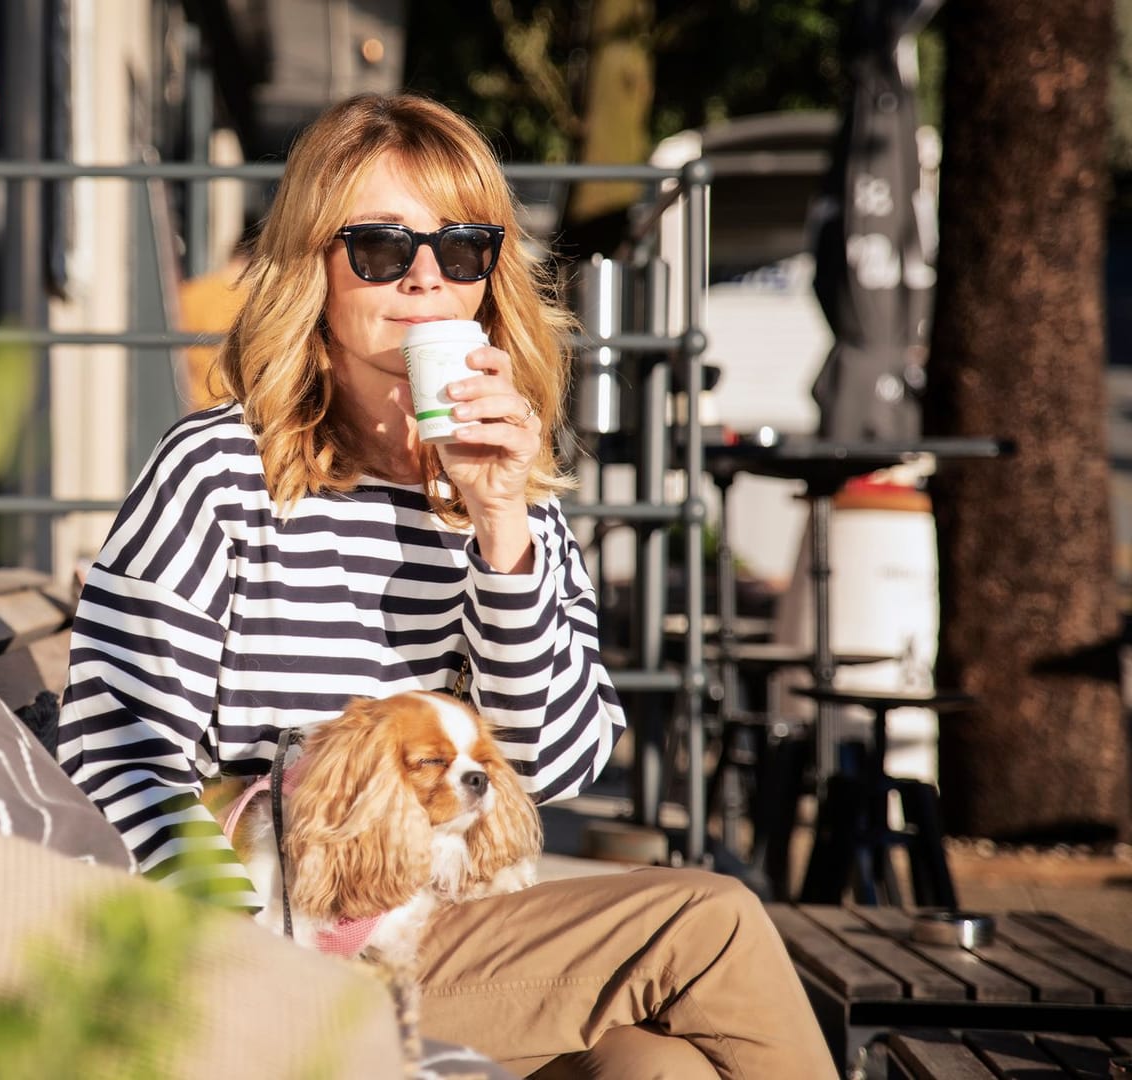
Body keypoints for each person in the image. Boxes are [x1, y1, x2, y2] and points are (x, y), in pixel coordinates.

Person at [54, 92, 835, 1079]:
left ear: (487, 278)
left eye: (462, 249)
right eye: (380, 248)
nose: (426, 277)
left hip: (457, 916)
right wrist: (245, 948)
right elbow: (117, 743)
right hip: (302, 936)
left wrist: (503, 529)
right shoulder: (219, 469)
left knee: (656, 1072)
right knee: (712, 918)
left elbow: (555, 767)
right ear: (314, 269)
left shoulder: (513, 490)